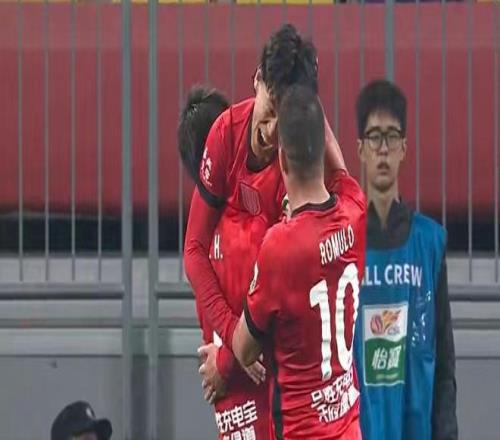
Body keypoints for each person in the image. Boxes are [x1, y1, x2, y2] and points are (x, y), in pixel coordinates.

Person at [183, 24, 344, 439]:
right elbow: (194, 249)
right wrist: (230, 341)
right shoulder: (226, 133)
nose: (272, 132)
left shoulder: (302, 161)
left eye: (283, 120)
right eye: (269, 110)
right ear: (257, 79)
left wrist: (229, 358)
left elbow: (288, 284)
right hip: (240, 356)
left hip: (283, 364)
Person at [231, 84, 366, 439]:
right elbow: (337, 164)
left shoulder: (280, 246)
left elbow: (244, 348)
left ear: (282, 160)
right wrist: (306, 86)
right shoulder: (355, 209)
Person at [353, 79, 458, 440]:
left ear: (404, 149)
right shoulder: (343, 242)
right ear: (360, 150)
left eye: (392, 136)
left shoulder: (430, 242)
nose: (383, 149)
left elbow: (444, 362)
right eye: (374, 137)